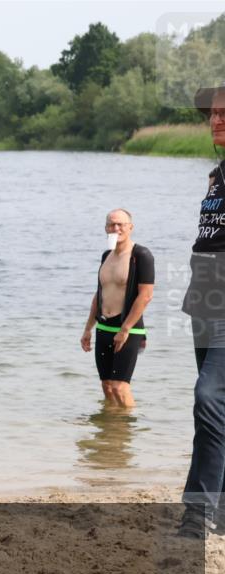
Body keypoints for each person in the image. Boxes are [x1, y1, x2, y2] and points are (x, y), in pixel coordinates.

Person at [179, 82, 225, 538]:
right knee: (215, 406)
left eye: (223, 113)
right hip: (204, 299)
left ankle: (199, 514)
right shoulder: (216, 174)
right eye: (212, 113)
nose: (215, 120)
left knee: (208, 397)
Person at [79, 209, 154, 408]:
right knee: (107, 386)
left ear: (131, 227)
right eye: (112, 224)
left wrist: (125, 329)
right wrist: (88, 329)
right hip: (104, 327)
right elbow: (99, 294)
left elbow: (145, 296)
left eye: (121, 224)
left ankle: (128, 429)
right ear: (106, 228)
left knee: (120, 386)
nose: (116, 228)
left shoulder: (141, 255)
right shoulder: (106, 256)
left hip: (128, 328)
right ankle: (112, 432)